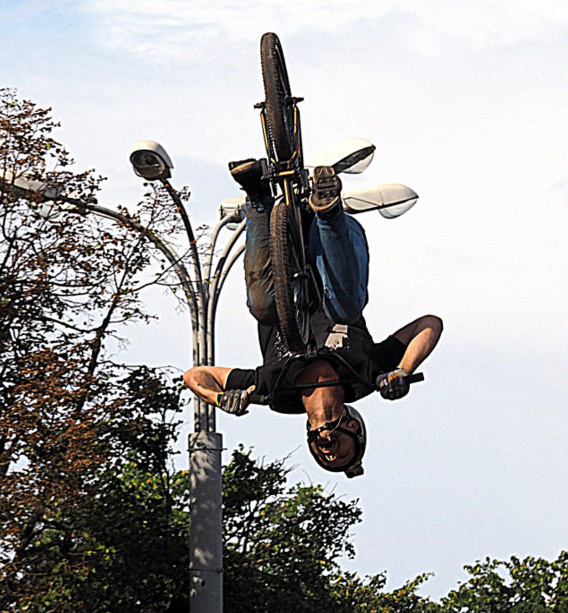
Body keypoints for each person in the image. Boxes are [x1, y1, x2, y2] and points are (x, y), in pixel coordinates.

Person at [183, 160, 442, 478]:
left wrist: (221, 398)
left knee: (262, 307)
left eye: (325, 459)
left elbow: (196, 375)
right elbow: (429, 324)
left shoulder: (275, 393)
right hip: (334, 244)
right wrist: (402, 370)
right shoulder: (366, 376)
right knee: (345, 310)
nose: (331, 454)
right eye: (342, 453)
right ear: (352, 425)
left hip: (280, 260)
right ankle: (329, 206)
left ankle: (257, 196)